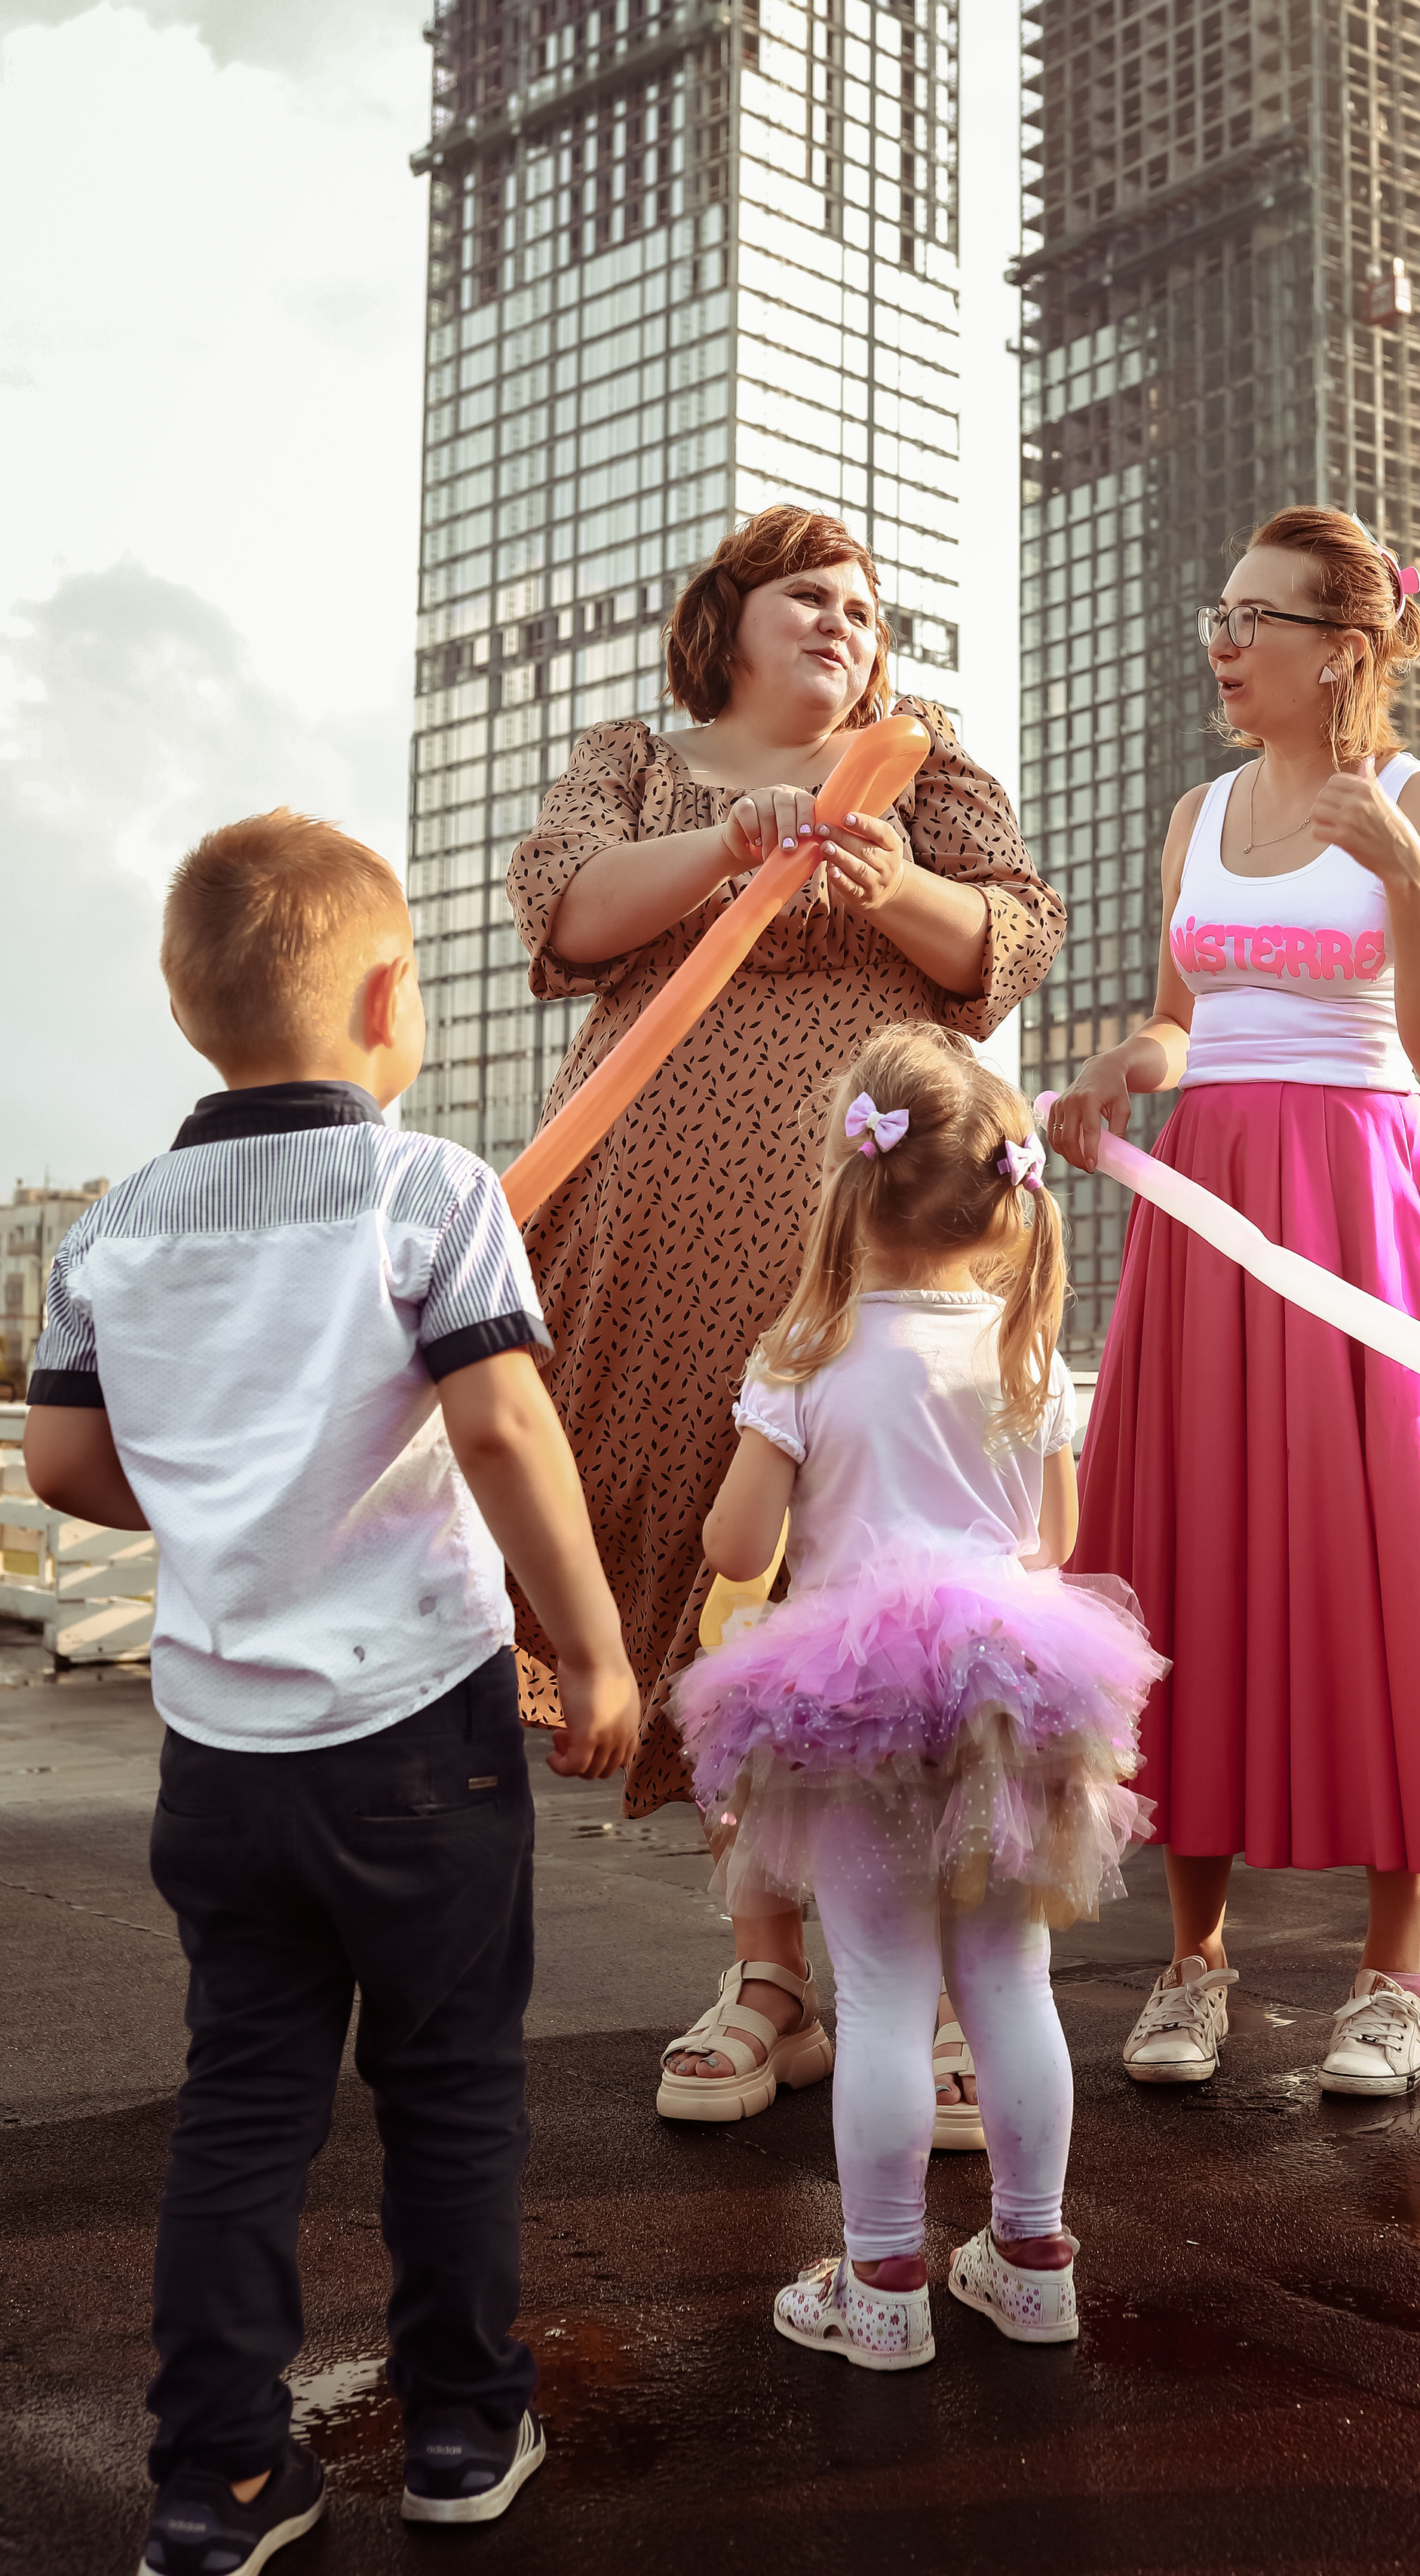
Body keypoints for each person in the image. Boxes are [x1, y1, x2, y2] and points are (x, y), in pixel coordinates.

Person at [23, 811, 639, 2574]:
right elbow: (501, 1426)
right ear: (386, 998)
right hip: (419, 1729)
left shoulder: (117, 1224)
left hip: (222, 1752)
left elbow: (61, 1463)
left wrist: (230, 1494)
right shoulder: (427, 1191)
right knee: (448, 2086)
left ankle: (215, 2479)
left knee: (243, 2102)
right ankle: (457, 2426)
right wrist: (593, 1645)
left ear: (186, 1013)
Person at [507, 506, 1063, 2130]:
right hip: (655, 1245)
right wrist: (732, 844)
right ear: (728, 620)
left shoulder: (922, 767)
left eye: (866, 609)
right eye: (810, 596)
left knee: (893, 1582)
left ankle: (939, 1985)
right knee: (723, 1587)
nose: (844, 624)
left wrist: (888, 883)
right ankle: (769, 1978)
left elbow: (1011, 939)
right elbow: (566, 912)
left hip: (885, 1250)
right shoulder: (634, 759)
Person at [1044, 504, 1420, 2102]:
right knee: (1187, 1543)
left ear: (1342, 648)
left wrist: (1405, 876)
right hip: (1205, 1205)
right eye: (1221, 611)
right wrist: (1123, 1065)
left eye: (1257, 617)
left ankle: (1392, 1978)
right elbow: (1184, 1024)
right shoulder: (1195, 814)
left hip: (1359, 1199)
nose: (1224, 641)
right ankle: (1194, 1962)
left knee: (1381, 1540)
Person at [671, 1025, 1163, 2370]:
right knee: (1011, 1979)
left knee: (884, 1990)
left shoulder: (807, 1348)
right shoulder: (1023, 1349)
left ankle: (882, 2284)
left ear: (855, 1183)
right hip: (1012, 1690)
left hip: (855, 1709)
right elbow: (1054, 1541)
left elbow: (736, 1545)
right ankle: (1034, 2261)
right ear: (1001, 1199)